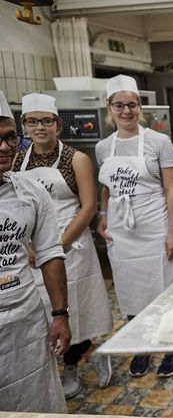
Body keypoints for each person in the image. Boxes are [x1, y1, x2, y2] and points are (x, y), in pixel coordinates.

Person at [14, 93, 114, 399]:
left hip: (70, 245)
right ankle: (72, 355)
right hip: (31, 248)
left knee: (76, 308)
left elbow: (88, 206)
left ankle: (75, 360)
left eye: (46, 121)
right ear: (25, 126)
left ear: (57, 124)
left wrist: (55, 246)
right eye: (33, 121)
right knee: (45, 312)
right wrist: (26, 244)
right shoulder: (18, 160)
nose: (40, 127)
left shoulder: (76, 159)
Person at [95, 75, 173, 378]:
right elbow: (107, 186)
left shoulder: (160, 143)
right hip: (122, 232)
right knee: (131, 291)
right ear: (109, 108)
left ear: (139, 107)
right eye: (119, 105)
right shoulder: (103, 148)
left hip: (156, 226)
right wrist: (103, 214)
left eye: (131, 105)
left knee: (166, 288)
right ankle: (142, 343)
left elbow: (172, 190)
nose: (126, 111)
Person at [0, 90, 70, 413]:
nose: (4, 147)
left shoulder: (30, 193)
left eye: (10, 138)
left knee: (36, 401)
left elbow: (50, 252)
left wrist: (60, 315)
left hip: (26, 321)